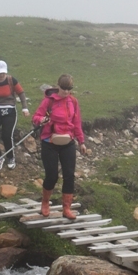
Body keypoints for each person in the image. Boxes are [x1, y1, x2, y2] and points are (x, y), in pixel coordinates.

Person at [32, 74, 87, 219]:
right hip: (49, 142)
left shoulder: (73, 102)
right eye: (63, 88)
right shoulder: (48, 101)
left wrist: (81, 142)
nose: (66, 92)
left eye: (69, 89)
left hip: (68, 142)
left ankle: (66, 208)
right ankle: (45, 203)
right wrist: (42, 119)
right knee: (52, 175)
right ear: (58, 86)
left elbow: (77, 123)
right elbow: (36, 117)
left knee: (69, 175)